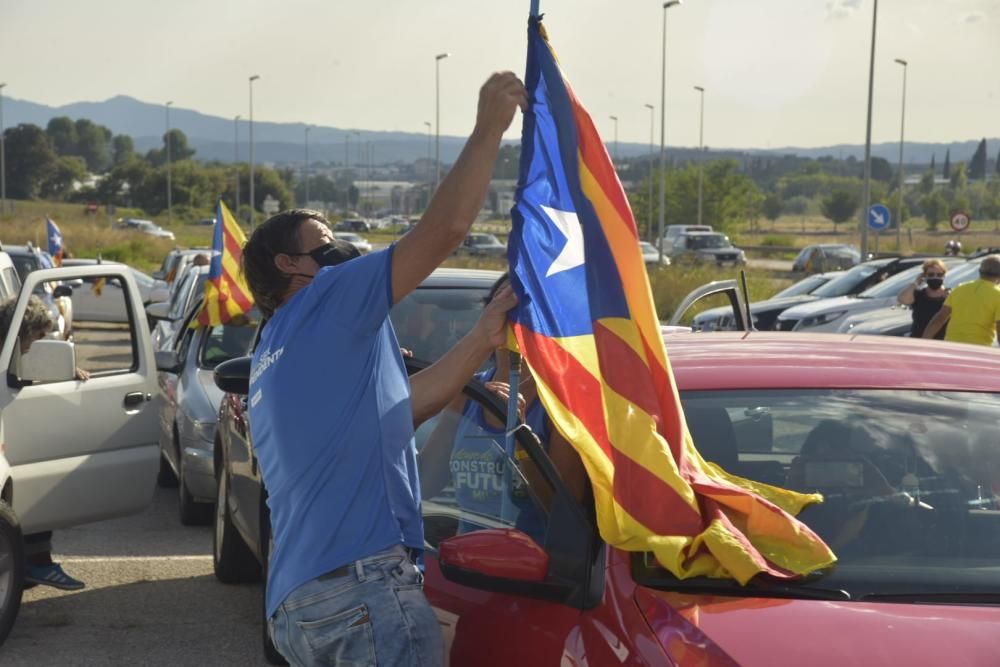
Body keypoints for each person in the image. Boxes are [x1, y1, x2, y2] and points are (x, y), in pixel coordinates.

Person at [240, 72, 526, 667]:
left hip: (298, 605)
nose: (341, 247)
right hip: (364, 588)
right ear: (290, 264)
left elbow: (400, 411)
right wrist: (488, 129)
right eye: (325, 241)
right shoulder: (325, 297)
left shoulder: (276, 349)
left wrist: (479, 340)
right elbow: (444, 231)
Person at [419, 274, 588, 540]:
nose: (509, 319)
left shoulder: (560, 403)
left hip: (528, 571)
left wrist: (522, 439)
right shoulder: (469, 392)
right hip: (463, 565)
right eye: (499, 306)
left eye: (520, 311)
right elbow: (425, 482)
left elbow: (563, 509)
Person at [0, 295, 86, 590]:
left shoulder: (10, 353)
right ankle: (38, 563)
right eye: (35, 337)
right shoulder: (5, 354)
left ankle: (32, 562)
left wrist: (65, 373)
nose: (33, 346)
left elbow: (22, 380)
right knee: (36, 490)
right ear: (20, 331)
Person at [924, 255, 1000, 345]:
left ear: (980, 272)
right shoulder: (997, 294)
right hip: (979, 348)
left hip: (952, 346)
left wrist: (923, 341)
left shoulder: (959, 288)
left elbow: (940, 318)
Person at [897, 259, 950, 339]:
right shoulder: (919, 294)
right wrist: (916, 282)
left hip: (941, 342)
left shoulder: (949, 296)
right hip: (918, 339)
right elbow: (903, 299)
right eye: (931, 274)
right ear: (925, 275)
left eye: (939, 275)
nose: (935, 277)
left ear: (944, 276)